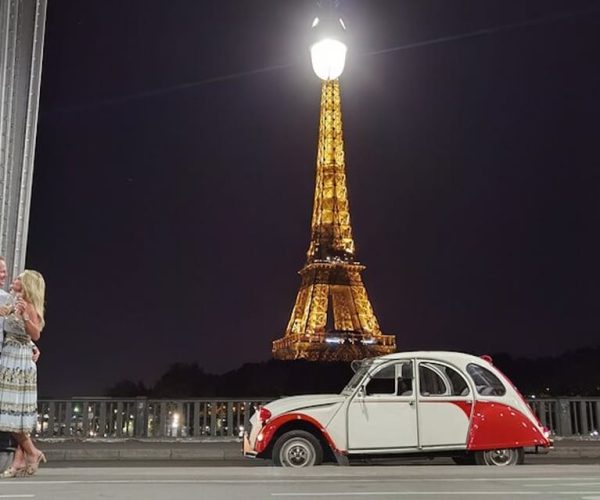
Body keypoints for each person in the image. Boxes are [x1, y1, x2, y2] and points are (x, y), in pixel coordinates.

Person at [0, 270, 46, 478]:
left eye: (18, 278)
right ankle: (27, 456)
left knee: (12, 414)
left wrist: (25, 316)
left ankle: (30, 453)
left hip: (18, 362)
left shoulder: (27, 305)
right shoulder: (12, 302)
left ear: (26, 284)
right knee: (10, 413)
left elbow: (35, 333)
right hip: (8, 359)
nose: (13, 280)